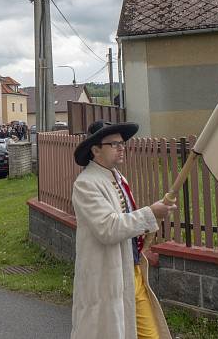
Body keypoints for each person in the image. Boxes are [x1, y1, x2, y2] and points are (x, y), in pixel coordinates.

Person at [70, 121, 175, 339]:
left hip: (131, 271)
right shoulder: (86, 184)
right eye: (114, 143)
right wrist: (151, 213)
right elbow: (108, 228)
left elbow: (127, 219)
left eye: (122, 143)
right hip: (106, 276)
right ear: (96, 150)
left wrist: (156, 212)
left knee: (151, 334)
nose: (121, 147)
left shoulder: (118, 178)